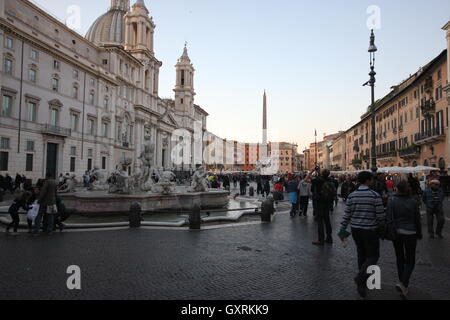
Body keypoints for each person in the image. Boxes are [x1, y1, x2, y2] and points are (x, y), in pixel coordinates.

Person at [339, 171, 385, 298]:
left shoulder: (352, 195)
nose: (373, 181)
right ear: (368, 180)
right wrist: (382, 229)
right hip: (370, 230)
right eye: (372, 179)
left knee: (361, 254)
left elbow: (347, 214)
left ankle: (362, 284)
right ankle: (360, 277)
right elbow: (380, 216)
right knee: (373, 256)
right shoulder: (374, 196)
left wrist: (343, 228)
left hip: (355, 230)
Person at [385, 181, 422, 298]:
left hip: (397, 233)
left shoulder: (392, 200)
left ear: (397, 189)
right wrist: (419, 232)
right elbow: (417, 219)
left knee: (400, 258)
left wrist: (391, 231)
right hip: (411, 233)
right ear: (408, 189)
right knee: (410, 260)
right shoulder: (413, 201)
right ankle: (404, 283)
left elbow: (389, 218)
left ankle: (403, 283)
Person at [311, 169, 336, 245]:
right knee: (327, 220)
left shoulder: (318, 180)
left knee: (320, 222)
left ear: (322, 173)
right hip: (327, 202)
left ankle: (321, 240)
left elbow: (306, 179)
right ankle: (329, 238)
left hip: (319, 202)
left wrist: (312, 171)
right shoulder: (330, 180)